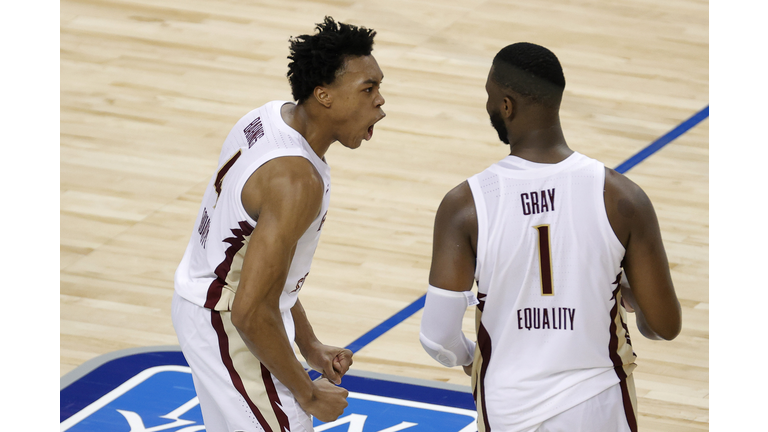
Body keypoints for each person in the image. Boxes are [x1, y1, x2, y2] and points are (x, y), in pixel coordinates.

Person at [419, 42, 681, 432]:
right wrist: (632, 292)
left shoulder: (466, 205)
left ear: (506, 106)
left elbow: (437, 337)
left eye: (489, 97)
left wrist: (471, 358)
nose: (488, 106)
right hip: (600, 406)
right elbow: (663, 325)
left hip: (509, 407)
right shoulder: (623, 197)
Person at [171, 16, 385, 432]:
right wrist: (308, 394)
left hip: (210, 305)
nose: (380, 103)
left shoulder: (269, 117)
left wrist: (309, 345)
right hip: (228, 323)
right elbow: (250, 310)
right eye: (367, 89)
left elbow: (264, 268)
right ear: (323, 95)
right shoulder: (295, 180)